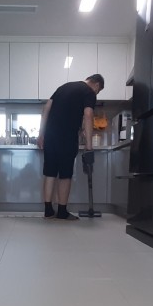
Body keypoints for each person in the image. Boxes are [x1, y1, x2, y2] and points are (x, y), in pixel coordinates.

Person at [36, 73, 105, 220]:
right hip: (67, 137)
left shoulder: (63, 87)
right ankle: (62, 212)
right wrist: (89, 145)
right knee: (65, 174)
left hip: (50, 136)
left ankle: (48, 211)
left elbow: (46, 108)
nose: (96, 93)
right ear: (97, 85)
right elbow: (88, 114)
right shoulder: (89, 92)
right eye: (98, 91)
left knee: (50, 172)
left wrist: (41, 134)